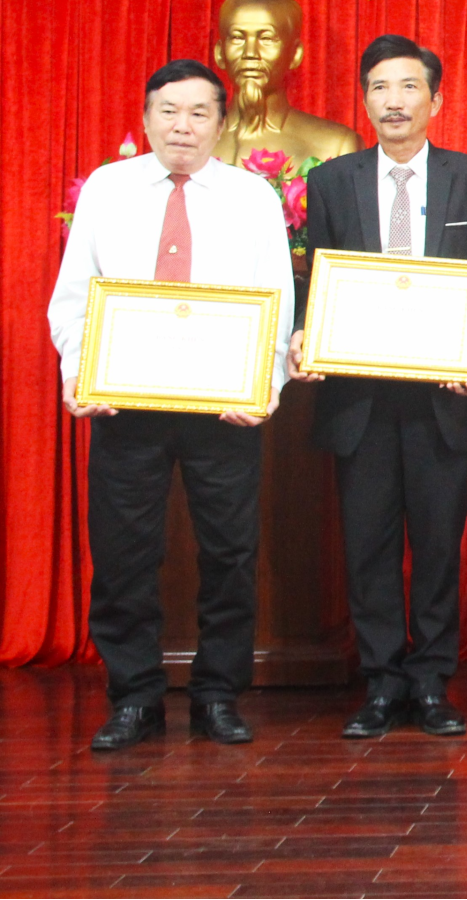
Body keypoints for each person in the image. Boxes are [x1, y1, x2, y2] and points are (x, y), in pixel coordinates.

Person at [48, 60, 294, 750]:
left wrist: (264, 389)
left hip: (224, 410)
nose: (181, 126)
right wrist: (80, 373)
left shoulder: (253, 197)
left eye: (197, 113)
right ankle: (133, 697)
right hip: (124, 406)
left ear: (222, 122)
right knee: (124, 555)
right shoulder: (107, 188)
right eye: (168, 111)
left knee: (230, 553)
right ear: (146, 115)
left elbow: (276, 303)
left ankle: (218, 695)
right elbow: (74, 298)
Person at [288, 35, 467, 739]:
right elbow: (316, 278)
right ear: (364, 99)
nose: (394, 101)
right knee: (370, 545)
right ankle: (381, 684)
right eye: (380, 87)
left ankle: (433, 682)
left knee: (440, 544)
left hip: (444, 397)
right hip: (360, 397)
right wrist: (307, 333)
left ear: (435, 100)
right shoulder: (332, 182)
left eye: (409, 87)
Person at [210, 0, 362, 164]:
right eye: (237, 37)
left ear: (295, 54)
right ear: (219, 53)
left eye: (266, 38)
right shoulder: (189, 141)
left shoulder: (335, 146)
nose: (250, 53)